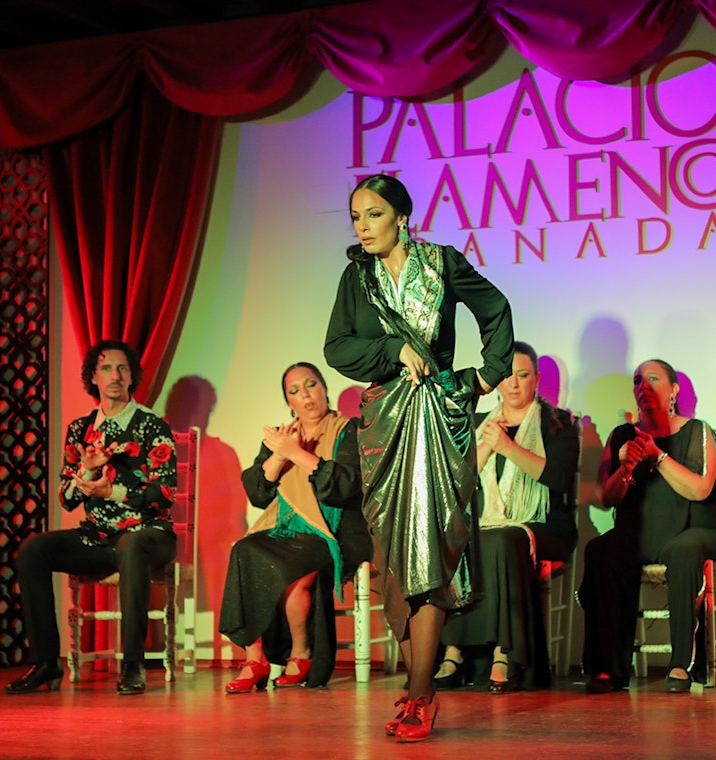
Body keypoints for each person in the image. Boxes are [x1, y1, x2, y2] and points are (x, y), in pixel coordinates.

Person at [325, 173, 513, 742]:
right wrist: (391, 348)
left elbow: (496, 307)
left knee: (428, 547)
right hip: (383, 422)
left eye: (374, 213)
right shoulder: (357, 275)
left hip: (439, 416)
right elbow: (336, 347)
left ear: (402, 217)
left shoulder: (441, 262)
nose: (363, 224)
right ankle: (416, 687)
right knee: (392, 555)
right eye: (356, 215)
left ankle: (423, 695)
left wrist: (489, 373)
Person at [5, 340, 178, 696]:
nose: (115, 376)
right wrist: (84, 473)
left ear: (132, 377)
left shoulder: (152, 426)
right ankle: (45, 663)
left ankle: (132, 665)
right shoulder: (80, 430)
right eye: (106, 368)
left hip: (148, 533)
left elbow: (163, 496)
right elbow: (66, 499)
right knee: (33, 549)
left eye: (123, 368)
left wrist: (110, 492)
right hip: (98, 536)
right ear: (93, 378)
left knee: (131, 545)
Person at [433, 341, 579, 693]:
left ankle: (507, 653)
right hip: (490, 526)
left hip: (546, 525)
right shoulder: (481, 424)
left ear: (537, 379)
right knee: (458, 539)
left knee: (502, 539)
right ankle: (454, 651)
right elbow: (460, 486)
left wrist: (509, 448)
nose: (513, 384)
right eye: (506, 376)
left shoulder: (558, 424)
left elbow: (558, 479)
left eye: (523, 375)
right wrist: (487, 444)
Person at [578, 359, 716, 694]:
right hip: (640, 531)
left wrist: (657, 456)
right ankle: (607, 669)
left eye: (653, 379)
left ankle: (681, 664)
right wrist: (625, 467)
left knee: (683, 548)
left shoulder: (698, 431)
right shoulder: (623, 435)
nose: (643, 386)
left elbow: (700, 489)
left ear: (673, 390)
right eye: (637, 380)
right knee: (601, 550)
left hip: (696, 526)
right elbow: (606, 498)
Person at [218, 362, 370, 692]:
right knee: (245, 549)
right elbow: (258, 493)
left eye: (311, 385)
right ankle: (254, 657)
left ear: (325, 389)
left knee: (293, 573)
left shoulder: (350, 431)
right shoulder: (282, 436)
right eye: (295, 391)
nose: (306, 395)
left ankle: (301, 654)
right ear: (289, 402)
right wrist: (280, 454)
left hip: (333, 532)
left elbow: (344, 486)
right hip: (284, 529)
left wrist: (297, 454)